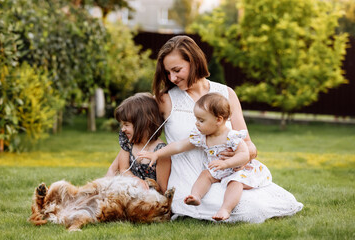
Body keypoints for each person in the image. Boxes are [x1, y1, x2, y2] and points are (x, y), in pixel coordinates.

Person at [151, 35, 303, 223]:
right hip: (192, 180)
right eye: (167, 73)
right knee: (249, 210)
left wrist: (238, 156)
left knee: (275, 201)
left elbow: (249, 145)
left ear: (194, 62)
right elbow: (140, 135)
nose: (172, 78)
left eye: (177, 70)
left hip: (227, 174)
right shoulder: (164, 100)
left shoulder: (226, 93)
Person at [139, 93, 272, 221]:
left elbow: (244, 155)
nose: (197, 123)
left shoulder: (232, 136)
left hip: (236, 169)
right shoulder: (202, 136)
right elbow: (179, 146)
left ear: (218, 120)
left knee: (235, 183)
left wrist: (226, 164)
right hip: (218, 169)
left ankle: (226, 209)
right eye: (196, 119)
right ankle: (196, 196)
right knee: (205, 175)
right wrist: (156, 154)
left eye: (201, 120)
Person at [105, 92, 171, 194]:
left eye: (126, 124)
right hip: (129, 191)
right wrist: (135, 180)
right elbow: (124, 169)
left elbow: (162, 189)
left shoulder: (161, 151)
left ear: (143, 123)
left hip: (149, 198)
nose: (123, 129)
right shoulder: (129, 143)